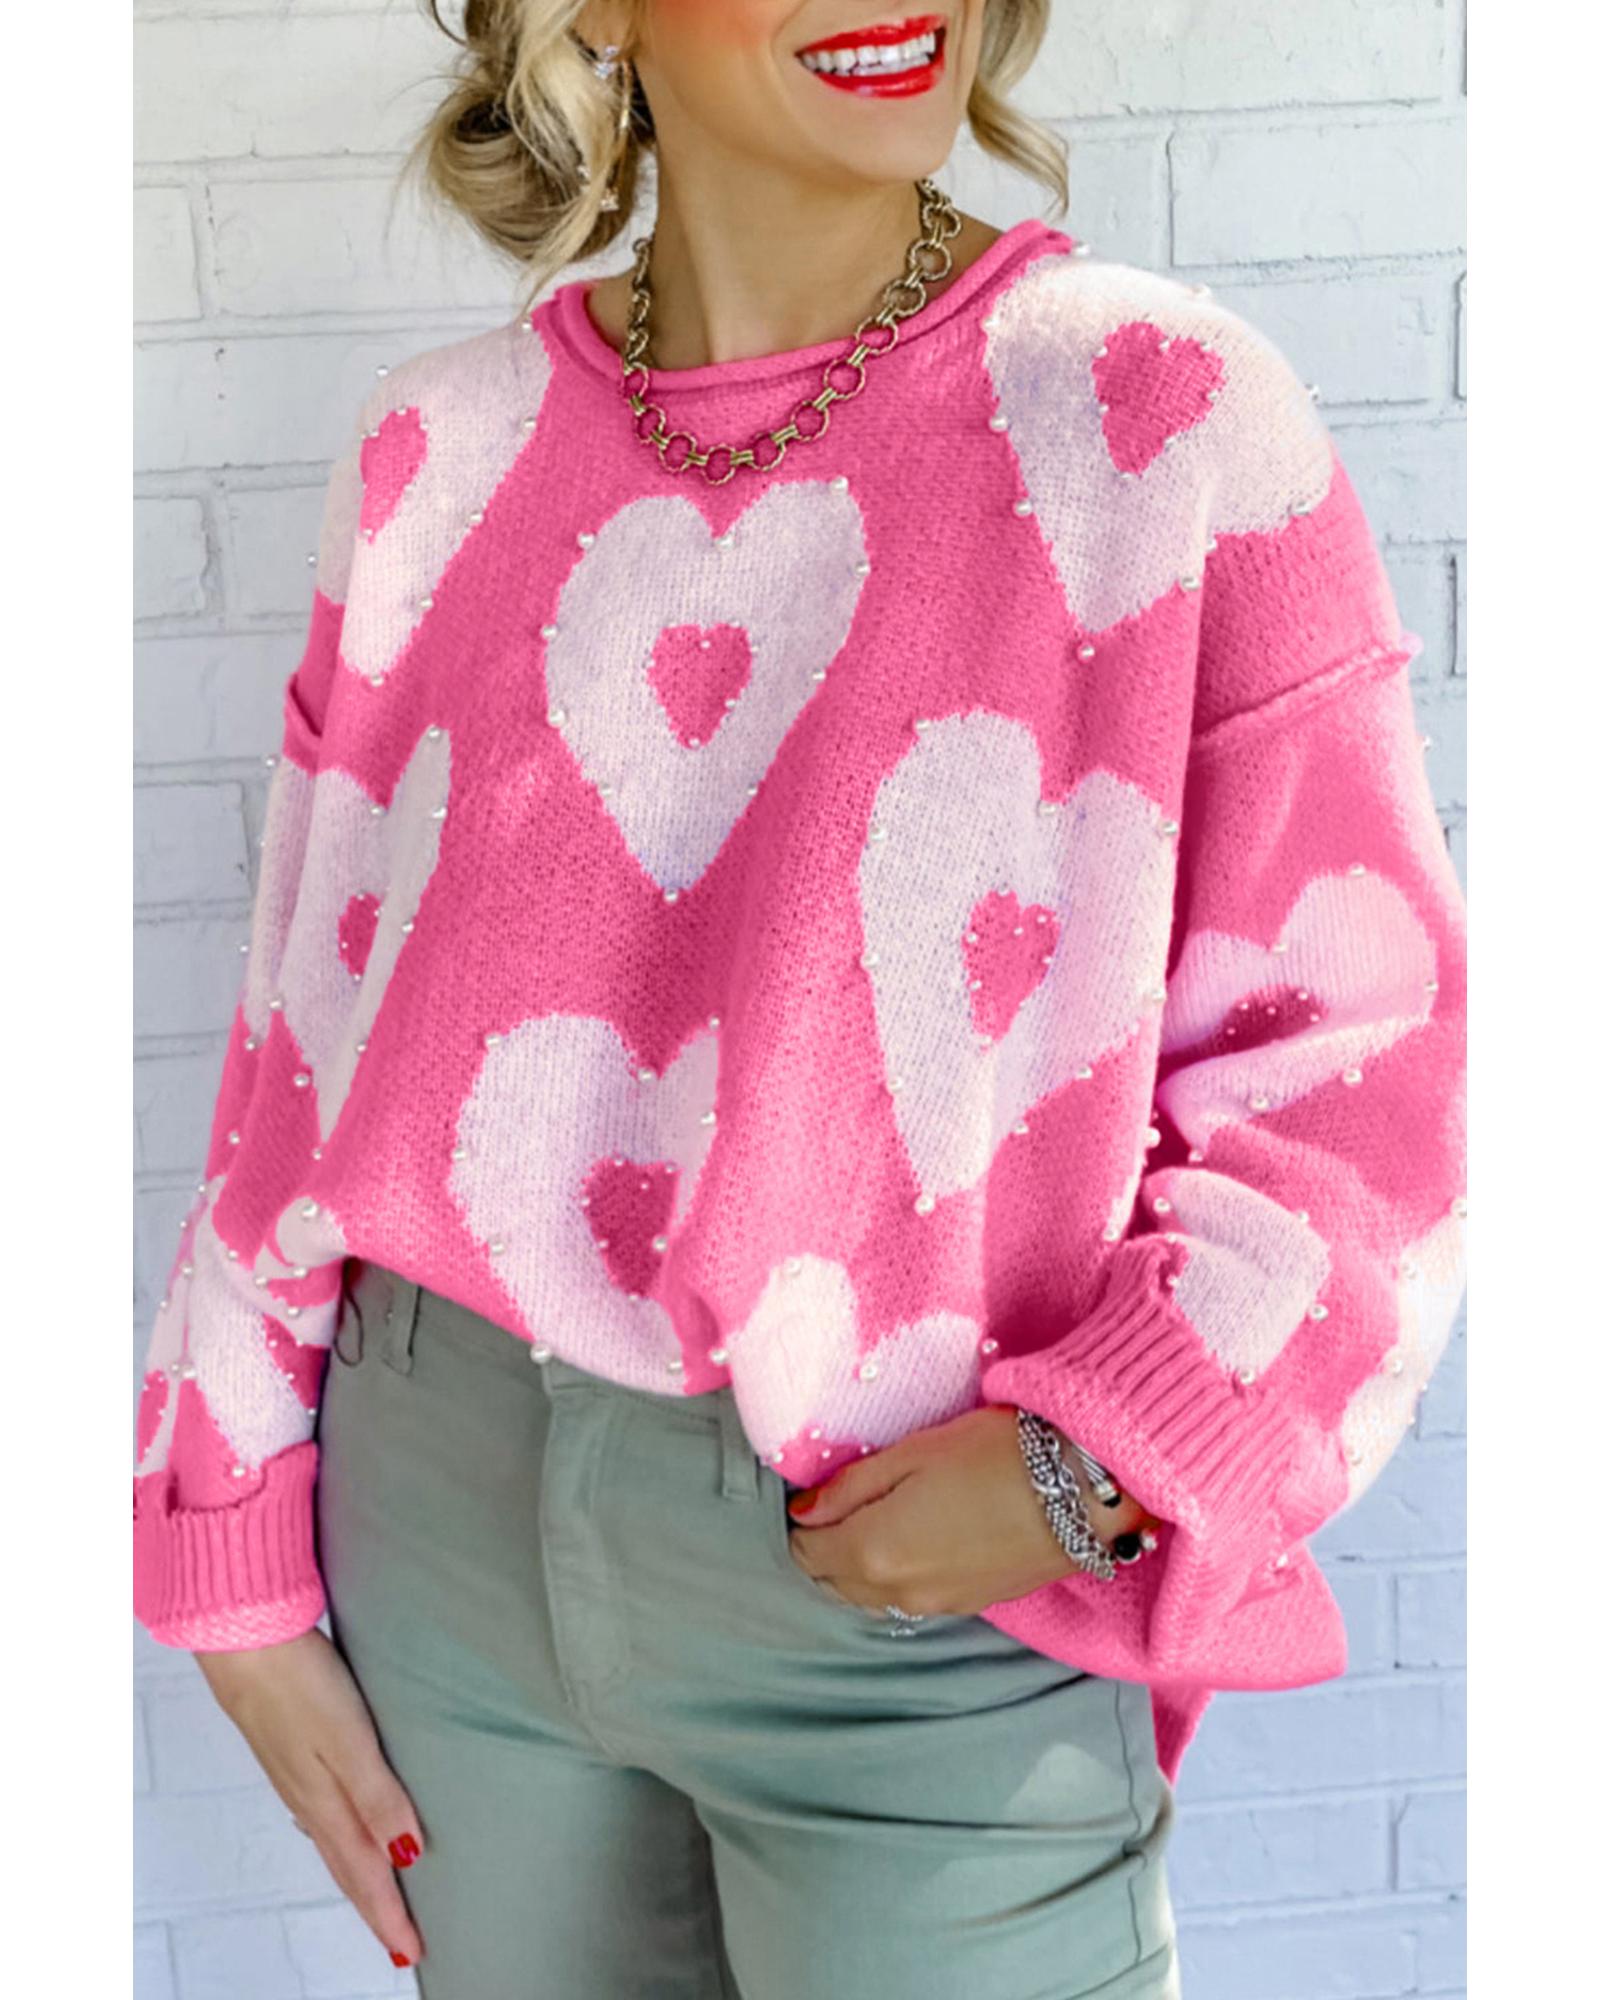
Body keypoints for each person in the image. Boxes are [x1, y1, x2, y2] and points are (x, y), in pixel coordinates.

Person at [130, 3, 1468, 1994]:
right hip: (440, 1533)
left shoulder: (1150, 414)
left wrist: (1096, 1459)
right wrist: (222, 1532)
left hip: (911, 1581)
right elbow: (301, 1035)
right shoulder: (436, 452)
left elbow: (1362, 1064)